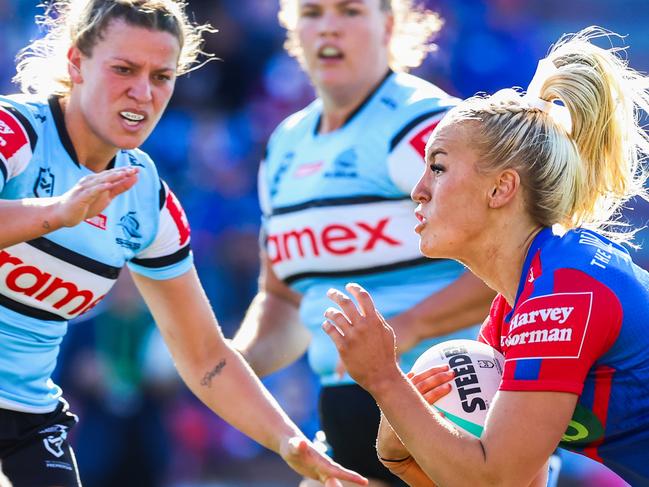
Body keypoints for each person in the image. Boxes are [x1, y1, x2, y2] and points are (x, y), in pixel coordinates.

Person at [0, 1, 369, 486]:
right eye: (124, 69)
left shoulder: (145, 199)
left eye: (161, 76)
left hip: (27, 417)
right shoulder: (15, 132)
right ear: (76, 62)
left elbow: (205, 356)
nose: (142, 92)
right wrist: (55, 214)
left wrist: (287, 441)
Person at [323, 26, 649, 487]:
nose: (418, 191)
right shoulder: (516, 306)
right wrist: (399, 454)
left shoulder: (564, 292)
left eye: (437, 167)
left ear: (501, 188)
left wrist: (384, 380)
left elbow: (494, 476)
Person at [231, 1, 494, 486]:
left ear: (388, 25)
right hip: (343, 428)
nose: (329, 26)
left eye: (350, 11)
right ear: (293, 29)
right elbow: (283, 300)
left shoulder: (424, 124)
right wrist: (225, 365)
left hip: (452, 412)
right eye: (311, 12)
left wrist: (405, 328)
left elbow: (519, 257)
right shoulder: (286, 143)